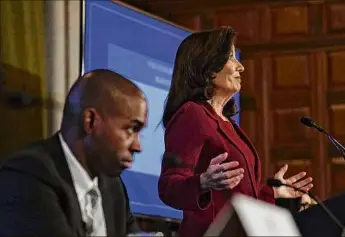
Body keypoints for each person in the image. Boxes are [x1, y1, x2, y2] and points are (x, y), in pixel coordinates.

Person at [158, 27, 314, 237]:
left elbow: (238, 196)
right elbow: (169, 186)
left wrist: (275, 192)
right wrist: (202, 182)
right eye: (231, 57)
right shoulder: (192, 114)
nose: (240, 66)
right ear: (208, 66)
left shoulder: (230, 125)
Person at [0, 69, 147, 236]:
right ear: (90, 121)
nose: (137, 146)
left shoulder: (113, 186)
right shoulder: (27, 175)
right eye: (131, 129)